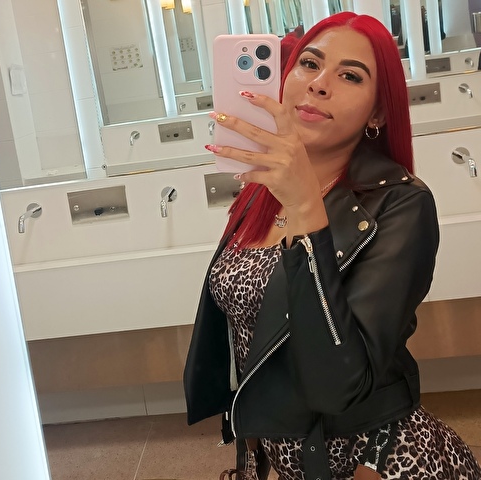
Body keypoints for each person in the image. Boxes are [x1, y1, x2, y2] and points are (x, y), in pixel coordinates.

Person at [183, 11, 481, 480]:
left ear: (378, 112)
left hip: (380, 460)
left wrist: (307, 211)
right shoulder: (262, 190)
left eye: (350, 76)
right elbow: (251, 333)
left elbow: (340, 384)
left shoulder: (402, 205)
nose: (319, 84)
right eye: (309, 64)